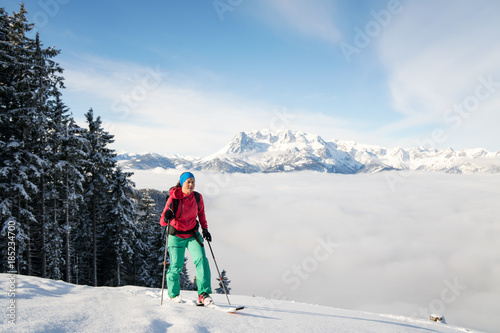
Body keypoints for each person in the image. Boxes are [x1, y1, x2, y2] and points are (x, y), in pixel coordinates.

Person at [160, 172, 213, 305]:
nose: (191, 185)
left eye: (193, 182)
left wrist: (205, 229)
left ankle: (203, 294)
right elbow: (162, 222)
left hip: (192, 234)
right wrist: (167, 216)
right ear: (182, 183)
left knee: (202, 260)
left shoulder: (197, 197)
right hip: (176, 236)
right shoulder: (173, 199)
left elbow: (201, 214)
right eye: (188, 182)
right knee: (176, 266)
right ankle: (173, 294)